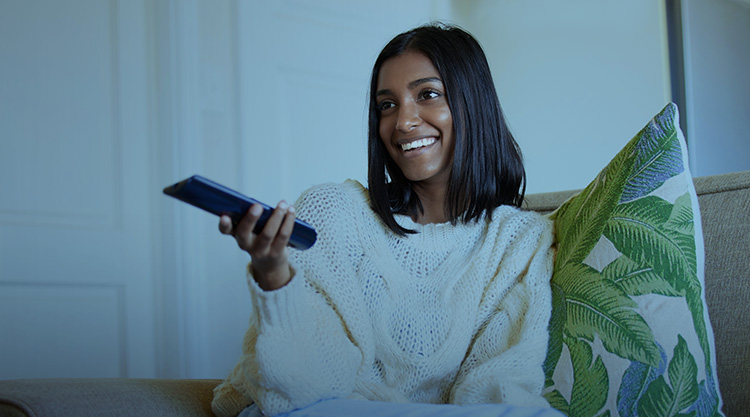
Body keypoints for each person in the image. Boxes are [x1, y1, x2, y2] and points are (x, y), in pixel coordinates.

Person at [211, 23, 561, 417]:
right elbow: (300, 391)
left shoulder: (518, 241)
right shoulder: (333, 211)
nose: (402, 122)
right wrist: (274, 274)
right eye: (387, 105)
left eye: (427, 94)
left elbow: (498, 390)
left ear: (474, 103)